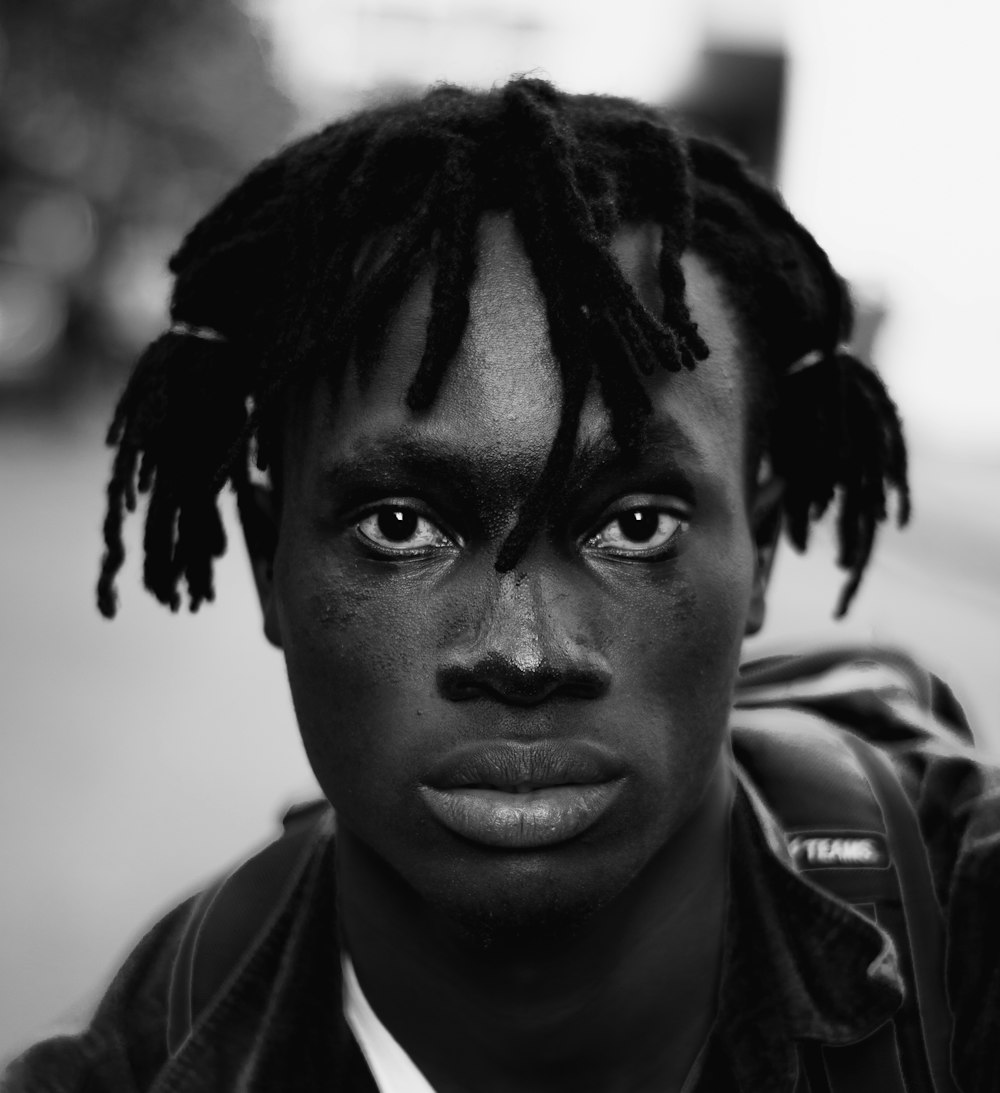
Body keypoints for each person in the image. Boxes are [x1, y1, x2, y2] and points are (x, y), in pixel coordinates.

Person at [4, 77, 998, 1093]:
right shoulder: (137, 1060)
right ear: (269, 563)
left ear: (765, 549)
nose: (523, 653)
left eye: (634, 524)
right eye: (401, 526)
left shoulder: (967, 926)